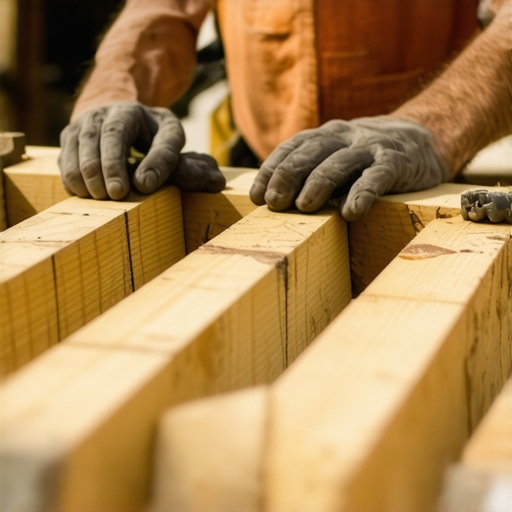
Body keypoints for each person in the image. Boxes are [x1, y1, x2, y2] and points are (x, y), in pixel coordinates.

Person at [58, 0, 512, 222]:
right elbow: (162, 9)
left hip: (417, 180)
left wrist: (431, 127)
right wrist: (112, 92)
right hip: (264, 170)